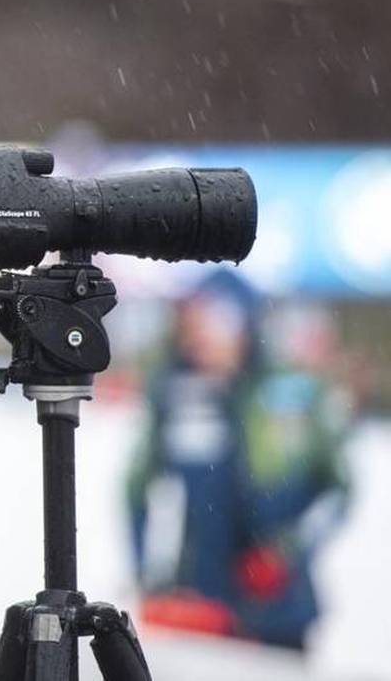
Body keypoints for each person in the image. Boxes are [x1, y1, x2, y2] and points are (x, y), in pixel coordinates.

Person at [127, 269, 349, 650]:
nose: (203, 335)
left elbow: (338, 490)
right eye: (196, 320)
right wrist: (147, 573)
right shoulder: (175, 393)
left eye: (218, 320)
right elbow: (135, 488)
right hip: (202, 607)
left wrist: (286, 550)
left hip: (281, 610)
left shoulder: (293, 392)